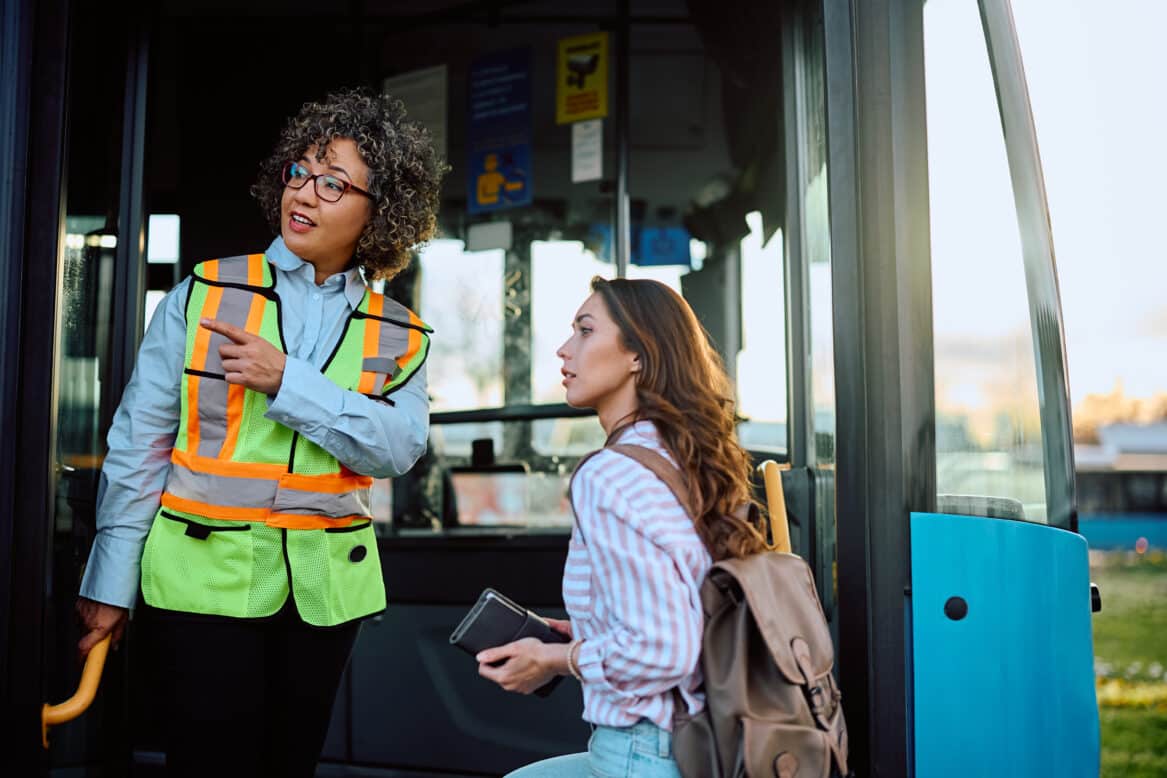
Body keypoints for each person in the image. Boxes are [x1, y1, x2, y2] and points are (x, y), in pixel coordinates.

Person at [74, 88, 446, 777]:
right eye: (298, 172)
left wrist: (288, 383)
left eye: (332, 182)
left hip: (325, 594)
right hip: (200, 581)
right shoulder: (204, 292)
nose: (303, 193)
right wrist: (110, 582)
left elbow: (398, 448)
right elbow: (138, 445)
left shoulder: (401, 332)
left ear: (380, 209)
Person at [476, 277, 769, 777]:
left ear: (638, 354)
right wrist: (587, 632)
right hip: (706, 736)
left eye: (585, 331)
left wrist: (554, 660)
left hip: (645, 751)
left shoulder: (610, 473)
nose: (564, 349)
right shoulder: (680, 457)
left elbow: (664, 647)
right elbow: (685, 609)